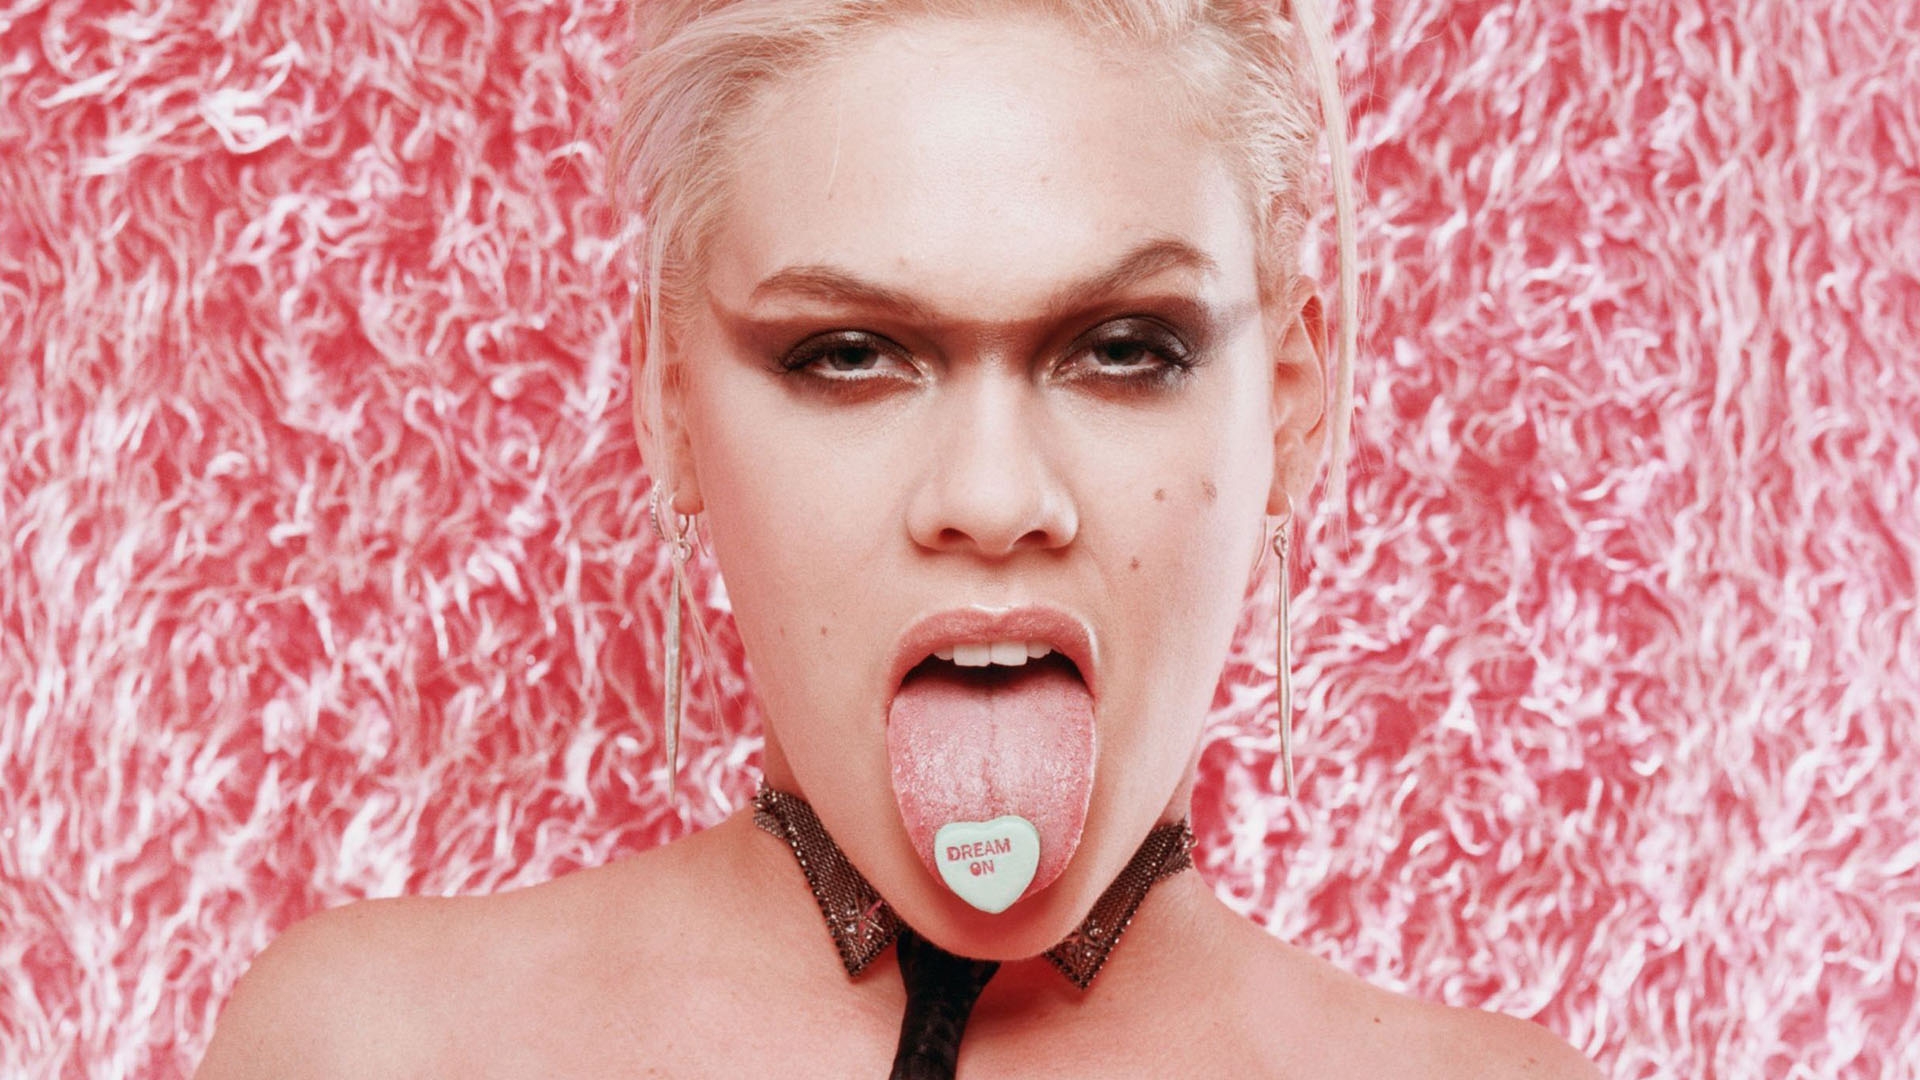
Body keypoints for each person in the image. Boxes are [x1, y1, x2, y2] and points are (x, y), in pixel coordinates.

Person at [197, 1, 1600, 1075]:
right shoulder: (371, 1048)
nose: (991, 496)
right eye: (848, 353)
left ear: (1289, 401)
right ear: (672, 402)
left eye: (1125, 348)